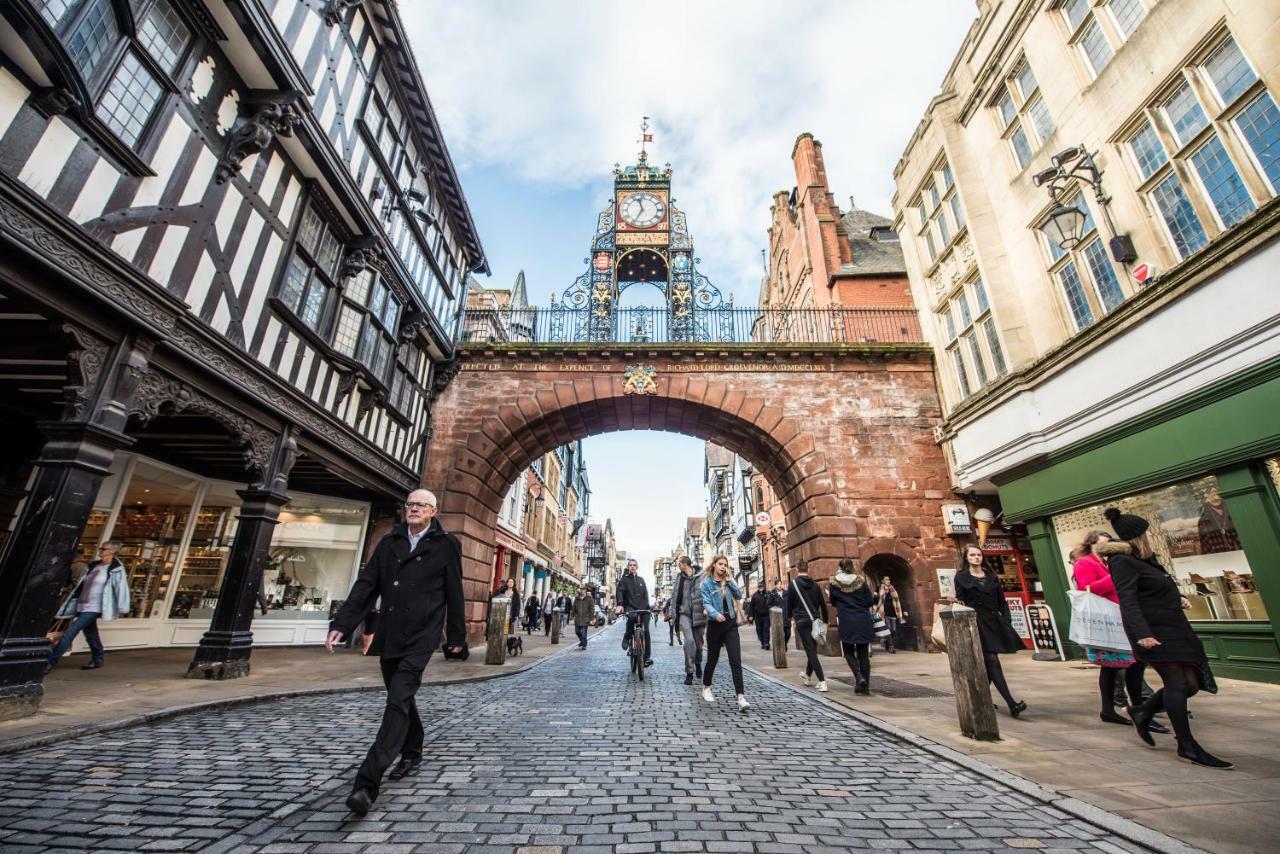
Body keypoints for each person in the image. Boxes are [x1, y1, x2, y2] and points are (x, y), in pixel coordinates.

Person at [325, 488, 465, 816]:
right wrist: (343, 624)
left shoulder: (446, 545)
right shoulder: (389, 543)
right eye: (410, 504)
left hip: (422, 635)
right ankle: (413, 748)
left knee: (397, 700)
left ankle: (366, 783)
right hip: (389, 633)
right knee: (400, 695)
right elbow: (366, 585)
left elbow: (455, 591)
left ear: (433, 511)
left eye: (420, 505)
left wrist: (456, 636)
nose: (413, 509)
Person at [1100, 507, 1232, 769]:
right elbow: (1128, 599)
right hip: (1155, 632)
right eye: (1145, 533)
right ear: (1138, 535)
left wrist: (1177, 597)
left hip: (1173, 627)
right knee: (1177, 685)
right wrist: (1143, 634)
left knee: (1191, 684)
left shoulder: (1146, 559)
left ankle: (1142, 711)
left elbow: (1154, 587)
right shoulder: (1122, 561)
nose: (1149, 536)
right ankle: (1187, 746)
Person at [1072, 531, 1165, 729]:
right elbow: (1087, 589)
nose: (1108, 548)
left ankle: (1116, 709)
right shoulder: (1085, 563)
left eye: (1111, 544)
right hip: (1107, 621)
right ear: (1092, 545)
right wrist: (1117, 576)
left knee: (1119, 666)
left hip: (1122, 617)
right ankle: (1137, 708)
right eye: (1104, 544)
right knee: (1125, 665)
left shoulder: (1111, 562)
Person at [954, 545, 1027, 717]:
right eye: (972, 555)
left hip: (994, 620)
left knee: (989, 665)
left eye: (979, 555)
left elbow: (1002, 601)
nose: (976, 558)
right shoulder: (962, 577)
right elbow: (961, 601)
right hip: (977, 622)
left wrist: (1007, 620)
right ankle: (1011, 703)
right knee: (992, 660)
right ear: (967, 558)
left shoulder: (991, 576)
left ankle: (978, 699)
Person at [47, 542, 131, 671]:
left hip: (95, 606)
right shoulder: (93, 565)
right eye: (101, 548)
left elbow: (121, 588)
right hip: (82, 603)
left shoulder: (116, 568)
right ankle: (98, 658)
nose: (100, 550)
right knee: (90, 634)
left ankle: (50, 663)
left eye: (104, 549)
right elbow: (81, 584)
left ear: (112, 552)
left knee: (70, 632)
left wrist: (122, 607)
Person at [701, 555, 749, 711]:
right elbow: (706, 603)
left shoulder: (728, 582)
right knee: (712, 660)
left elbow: (739, 595)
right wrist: (715, 614)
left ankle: (740, 697)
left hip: (730, 625)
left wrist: (730, 581)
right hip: (715, 625)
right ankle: (706, 686)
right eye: (720, 564)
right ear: (714, 565)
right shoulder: (706, 583)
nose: (723, 567)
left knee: (735, 660)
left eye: (725, 565)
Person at [829, 558, 877, 695]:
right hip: (862, 619)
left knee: (848, 651)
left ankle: (858, 676)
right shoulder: (860, 581)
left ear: (840, 568)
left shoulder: (834, 582)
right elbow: (869, 601)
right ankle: (865, 686)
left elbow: (832, 601)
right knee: (863, 654)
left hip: (846, 620)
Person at [784, 559, 828, 692]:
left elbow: (789, 604)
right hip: (815, 620)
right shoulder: (815, 585)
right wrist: (825, 620)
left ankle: (822, 681)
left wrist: (790, 617)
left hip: (802, 621)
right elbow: (823, 604)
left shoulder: (793, 584)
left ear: (797, 569)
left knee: (810, 651)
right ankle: (808, 676)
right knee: (812, 650)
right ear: (807, 569)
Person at [670, 557, 706, 685]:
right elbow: (674, 595)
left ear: (684, 564)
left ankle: (698, 662)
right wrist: (672, 614)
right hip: (684, 614)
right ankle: (689, 672)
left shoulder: (701, 576)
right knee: (689, 642)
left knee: (699, 645)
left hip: (699, 614)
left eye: (679, 564)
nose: (678, 566)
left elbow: (707, 593)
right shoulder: (680, 578)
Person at [614, 558, 652, 667]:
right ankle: (627, 636)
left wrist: (648, 607)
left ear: (637, 567)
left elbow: (645, 595)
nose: (632, 567)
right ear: (628, 567)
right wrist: (620, 604)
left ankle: (647, 658)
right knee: (631, 618)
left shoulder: (641, 580)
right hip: (630, 607)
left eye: (634, 565)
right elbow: (619, 592)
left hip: (643, 607)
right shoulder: (624, 580)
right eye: (630, 565)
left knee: (646, 631)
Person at [879, 577, 905, 653]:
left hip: (893, 613)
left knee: (893, 630)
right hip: (885, 613)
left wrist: (904, 610)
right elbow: (877, 601)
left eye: (889, 580)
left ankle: (887, 642)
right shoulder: (880, 589)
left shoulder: (892, 589)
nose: (888, 581)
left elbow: (897, 601)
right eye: (886, 580)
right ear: (883, 581)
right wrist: (876, 595)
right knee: (889, 629)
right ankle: (891, 646)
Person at [749, 584, 771, 649]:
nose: (761, 588)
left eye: (762, 587)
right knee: (759, 630)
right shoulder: (754, 595)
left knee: (766, 629)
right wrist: (751, 616)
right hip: (758, 616)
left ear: (764, 587)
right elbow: (751, 606)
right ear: (758, 588)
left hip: (766, 615)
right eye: (759, 587)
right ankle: (762, 642)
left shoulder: (767, 594)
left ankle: (767, 643)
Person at [771, 581, 792, 648]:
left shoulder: (786, 593)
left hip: (786, 617)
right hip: (778, 618)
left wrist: (791, 614)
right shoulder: (772, 594)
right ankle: (782, 647)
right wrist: (775, 610)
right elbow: (769, 605)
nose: (779, 585)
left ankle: (784, 643)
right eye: (778, 584)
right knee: (780, 634)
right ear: (775, 585)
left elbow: (790, 603)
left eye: (780, 584)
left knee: (788, 633)